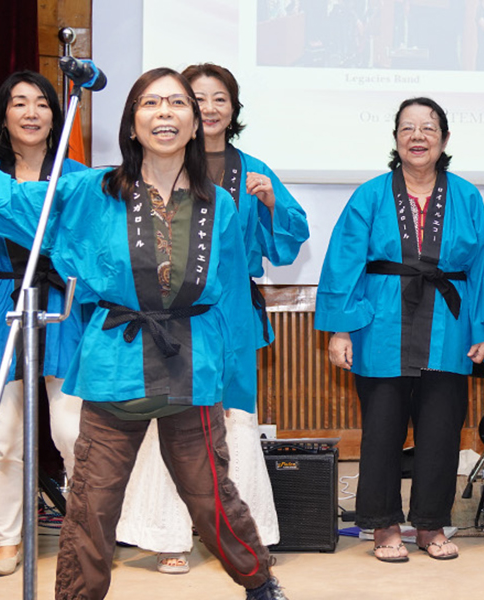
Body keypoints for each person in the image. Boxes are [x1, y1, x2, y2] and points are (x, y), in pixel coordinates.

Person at [0, 67, 291, 599]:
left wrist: (229, 381)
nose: (165, 113)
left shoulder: (218, 204)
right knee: (91, 505)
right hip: (114, 361)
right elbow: (7, 199)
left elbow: (226, 299)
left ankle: (259, 582)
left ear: (196, 124)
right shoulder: (91, 190)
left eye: (177, 104)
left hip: (192, 365)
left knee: (211, 496)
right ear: (131, 125)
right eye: (151, 103)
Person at [111, 62, 307, 574]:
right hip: (168, 312)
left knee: (231, 419)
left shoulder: (254, 169)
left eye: (220, 98)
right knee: (170, 414)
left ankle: (245, 534)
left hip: (232, 311)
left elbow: (288, 240)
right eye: (197, 98)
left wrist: (268, 205)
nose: (209, 107)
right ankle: (169, 533)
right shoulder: (159, 167)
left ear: (232, 109)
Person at [317, 97, 484, 563]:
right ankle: (383, 525)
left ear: (445, 139)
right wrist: (340, 331)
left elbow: (483, 268)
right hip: (381, 324)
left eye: (429, 128)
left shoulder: (466, 196)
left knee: (441, 429)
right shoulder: (370, 195)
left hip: (449, 326)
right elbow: (344, 263)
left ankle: (431, 524)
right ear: (396, 139)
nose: (418, 136)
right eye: (408, 129)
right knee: (382, 428)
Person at [0, 70, 91, 577]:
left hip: (65, 312)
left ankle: (84, 533)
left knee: (73, 432)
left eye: (42, 104)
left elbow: (96, 251)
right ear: (3, 116)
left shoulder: (78, 179)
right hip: (2, 310)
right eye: (19, 103)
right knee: (3, 434)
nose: (31, 112)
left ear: (56, 116)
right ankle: (7, 539)